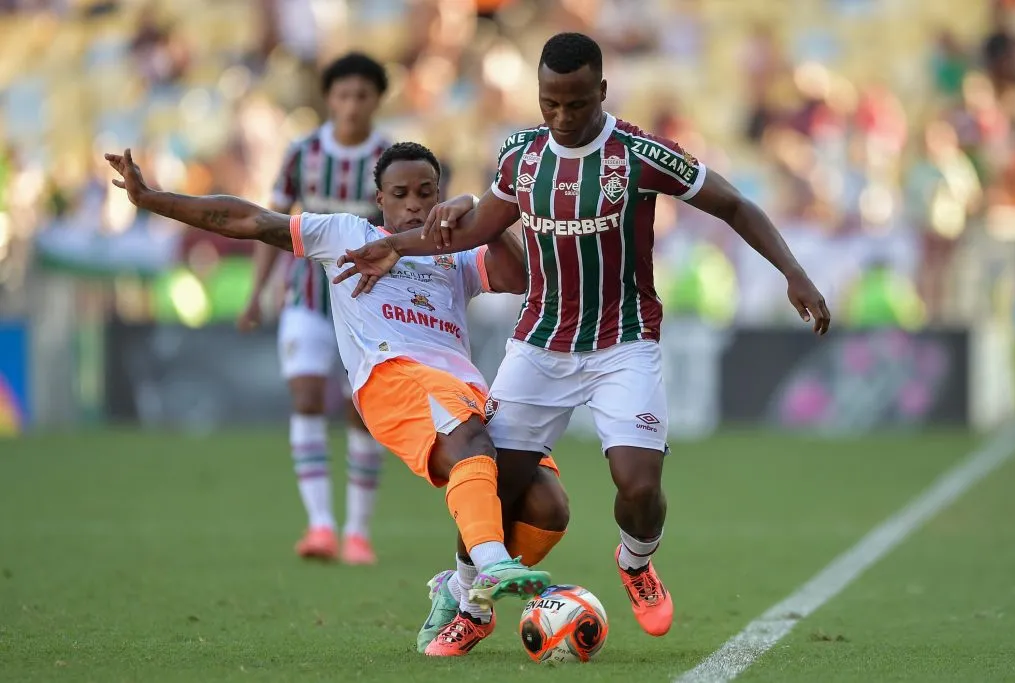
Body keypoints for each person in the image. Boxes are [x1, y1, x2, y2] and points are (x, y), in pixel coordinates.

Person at [334, 32, 832, 638]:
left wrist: (794, 272)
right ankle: (468, 603)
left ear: (601, 92)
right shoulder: (520, 155)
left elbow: (735, 206)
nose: (562, 117)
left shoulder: (643, 154)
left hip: (624, 341)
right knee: (498, 481)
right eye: (550, 104)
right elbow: (476, 229)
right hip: (540, 343)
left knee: (639, 485)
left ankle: (636, 563)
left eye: (575, 103)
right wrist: (393, 244)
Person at [105, 141, 563, 653]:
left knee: (548, 507)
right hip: (391, 377)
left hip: (463, 388)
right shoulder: (347, 232)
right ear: (379, 199)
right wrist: (152, 199)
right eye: (401, 193)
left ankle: (458, 592)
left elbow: (522, 277)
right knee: (471, 443)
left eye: (426, 192)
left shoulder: (452, 248)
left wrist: (483, 219)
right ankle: (492, 569)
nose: (414, 204)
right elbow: (249, 220)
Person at [237, 53, 391, 564]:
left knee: (361, 413)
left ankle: (359, 532)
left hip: (368, 303)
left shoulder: (390, 159)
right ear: (329, 98)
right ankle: (321, 525)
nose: (351, 105)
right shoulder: (302, 153)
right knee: (305, 395)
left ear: (376, 100)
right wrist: (257, 292)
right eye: (342, 95)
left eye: (361, 96)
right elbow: (269, 225)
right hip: (305, 295)